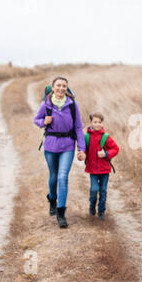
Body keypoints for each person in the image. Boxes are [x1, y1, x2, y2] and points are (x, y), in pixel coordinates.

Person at [34, 76, 86, 228]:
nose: (61, 88)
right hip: (50, 145)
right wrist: (43, 122)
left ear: (67, 88)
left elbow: (78, 127)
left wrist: (81, 149)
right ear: (53, 87)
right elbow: (36, 119)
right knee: (54, 176)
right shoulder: (46, 104)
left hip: (68, 146)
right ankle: (52, 199)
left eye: (64, 86)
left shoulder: (72, 105)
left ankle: (61, 212)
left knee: (63, 177)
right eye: (59, 85)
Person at [84, 112, 119, 220]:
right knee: (94, 190)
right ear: (91, 123)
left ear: (102, 123)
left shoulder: (106, 137)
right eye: (95, 122)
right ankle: (92, 205)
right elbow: (83, 150)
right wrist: (81, 154)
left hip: (105, 170)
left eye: (99, 122)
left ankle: (101, 211)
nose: (97, 124)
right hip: (92, 170)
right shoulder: (87, 137)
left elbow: (115, 149)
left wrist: (106, 154)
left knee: (103, 190)